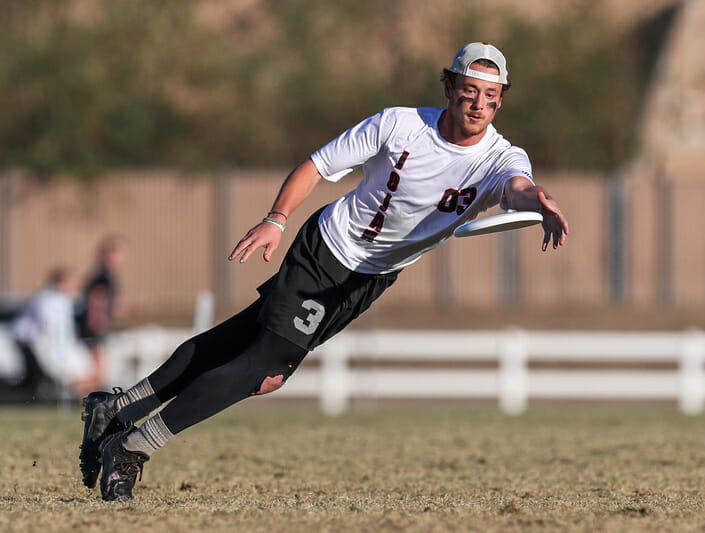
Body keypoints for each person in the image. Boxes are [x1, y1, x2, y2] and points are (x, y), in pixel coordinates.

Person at [79, 42, 570, 502]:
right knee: (266, 368)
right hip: (327, 250)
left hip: (370, 279)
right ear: (448, 89)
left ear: (500, 101)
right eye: (469, 91)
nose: (478, 104)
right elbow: (316, 166)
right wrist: (276, 219)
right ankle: (133, 446)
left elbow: (518, 187)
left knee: (242, 338)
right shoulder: (398, 125)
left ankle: (118, 408)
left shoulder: (501, 157)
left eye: (490, 95)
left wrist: (539, 203)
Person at [10, 267, 97, 400]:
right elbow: (47, 328)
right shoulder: (47, 300)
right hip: (46, 347)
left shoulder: (65, 301)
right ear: (61, 283)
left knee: (87, 370)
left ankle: (85, 401)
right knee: (74, 373)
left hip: (62, 347)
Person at [75, 235, 127, 392]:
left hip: (95, 329)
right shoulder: (103, 277)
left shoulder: (107, 276)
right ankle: (74, 391)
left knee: (98, 374)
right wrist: (97, 326)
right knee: (97, 374)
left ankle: (81, 398)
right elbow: (96, 303)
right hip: (94, 330)